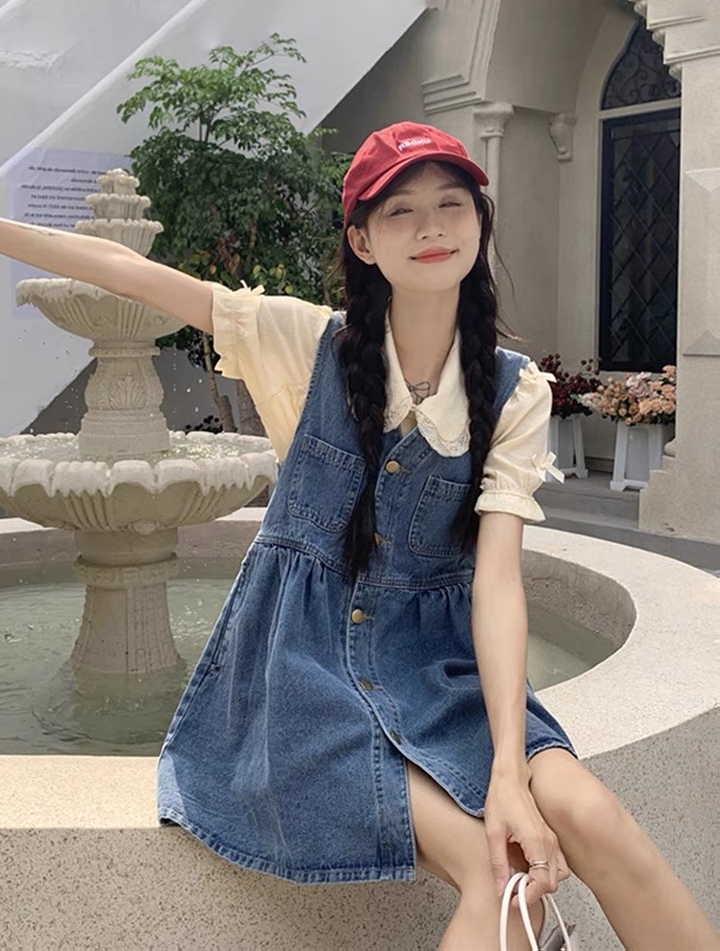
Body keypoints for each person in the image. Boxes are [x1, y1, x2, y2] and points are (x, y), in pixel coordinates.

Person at [0, 121, 717, 951]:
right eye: (401, 210)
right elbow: (128, 270)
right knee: (500, 879)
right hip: (306, 675)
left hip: (440, 666)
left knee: (596, 819)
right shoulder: (303, 343)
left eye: (451, 204)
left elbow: (495, 583)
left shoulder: (515, 393)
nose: (431, 226)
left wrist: (510, 771)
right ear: (363, 241)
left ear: (480, 222)